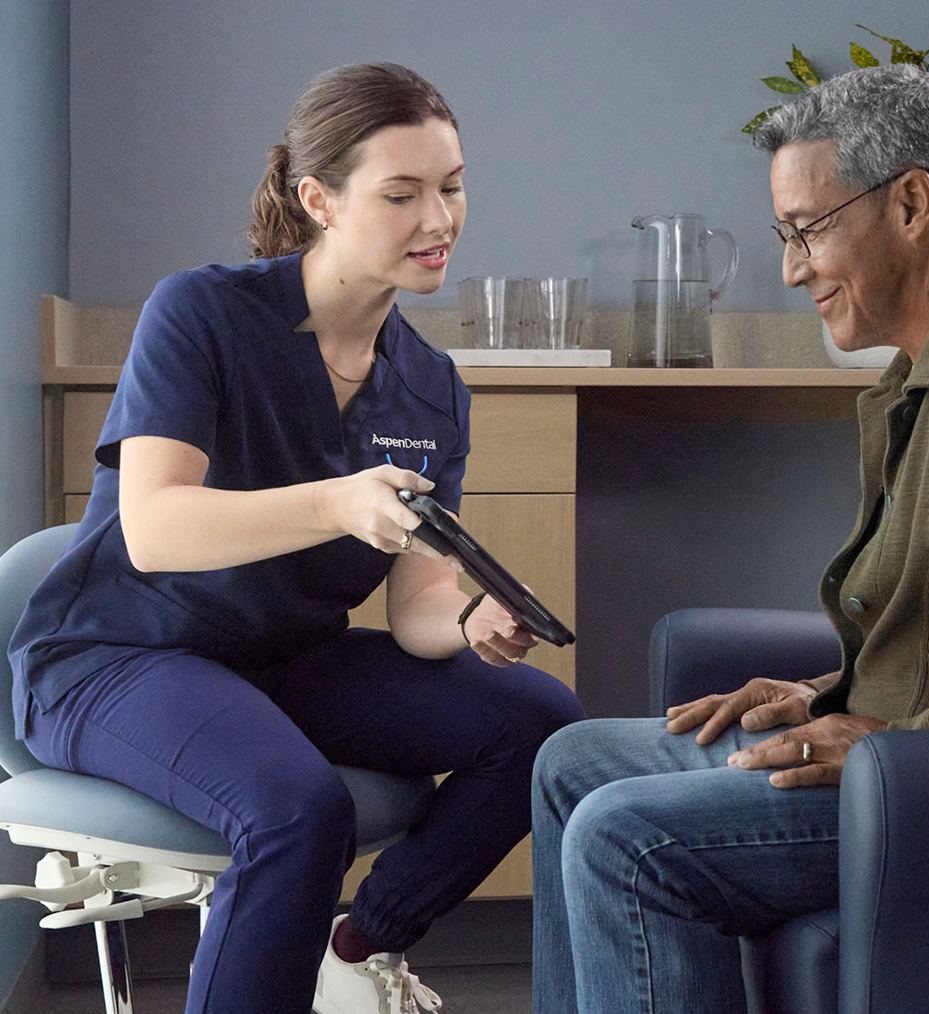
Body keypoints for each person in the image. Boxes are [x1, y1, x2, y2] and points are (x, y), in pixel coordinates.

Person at [530, 63, 929, 1014]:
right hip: (911, 763)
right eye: (785, 236)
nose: (794, 267)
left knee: (621, 835)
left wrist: (901, 748)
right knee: (572, 764)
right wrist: (822, 695)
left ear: (913, 202)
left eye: (807, 230)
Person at [8, 62, 584, 1014]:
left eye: (452, 186)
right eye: (402, 194)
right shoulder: (202, 313)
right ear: (319, 199)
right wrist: (337, 501)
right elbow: (153, 529)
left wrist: (474, 610)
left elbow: (415, 608)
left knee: (542, 724)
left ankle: (358, 947)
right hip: (116, 658)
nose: (439, 220)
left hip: (282, 661)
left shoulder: (431, 386)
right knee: (298, 813)